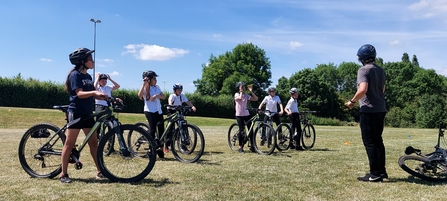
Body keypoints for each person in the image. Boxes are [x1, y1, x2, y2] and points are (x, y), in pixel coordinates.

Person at [60, 48, 109, 183]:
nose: (93, 61)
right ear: (82, 61)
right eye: (90, 59)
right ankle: (63, 174)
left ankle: (100, 170)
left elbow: (91, 93)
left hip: (87, 113)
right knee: (69, 144)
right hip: (76, 112)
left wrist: (107, 97)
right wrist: (94, 93)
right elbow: (79, 94)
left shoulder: (88, 77)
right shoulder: (75, 75)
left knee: (94, 143)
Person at [345, 44, 387, 182]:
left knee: (369, 142)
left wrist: (352, 101)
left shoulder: (363, 70)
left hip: (368, 110)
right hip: (381, 109)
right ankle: (382, 171)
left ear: (361, 58)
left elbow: (362, 89)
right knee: (378, 140)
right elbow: (382, 90)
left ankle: (374, 174)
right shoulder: (381, 70)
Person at [138, 70, 166, 158]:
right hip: (149, 110)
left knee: (161, 130)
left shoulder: (157, 87)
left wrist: (157, 95)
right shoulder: (145, 88)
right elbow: (139, 96)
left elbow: (164, 96)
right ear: (149, 79)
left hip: (158, 111)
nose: (156, 80)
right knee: (152, 129)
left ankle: (160, 149)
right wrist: (144, 84)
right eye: (154, 78)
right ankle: (150, 150)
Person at [164, 83, 196, 153]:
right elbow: (170, 102)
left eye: (181, 90)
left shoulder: (182, 96)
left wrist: (192, 106)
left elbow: (187, 102)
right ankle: (166, 145)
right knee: (170, 128)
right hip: (171, 111)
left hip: (178, 111)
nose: (180, 91)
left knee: (183, 128)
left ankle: (183, 146)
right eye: (179, 90)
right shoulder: (172, 96)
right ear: (175, 90)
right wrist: (171, 105)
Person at [234, 82, 258, 153]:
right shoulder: (236, 94)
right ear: (238, 88)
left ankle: (253, 146)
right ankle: (240, 147)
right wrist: (241, 91)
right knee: (241, 131)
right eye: (242, 87)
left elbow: (256, 99)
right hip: (239, 115)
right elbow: (240, 98)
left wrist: (251, 91)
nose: (244, 88)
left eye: (244, 87)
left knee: (251, 131)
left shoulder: (246, 96)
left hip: (246, 114)